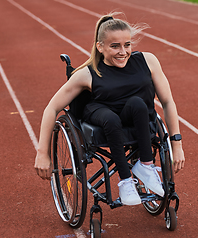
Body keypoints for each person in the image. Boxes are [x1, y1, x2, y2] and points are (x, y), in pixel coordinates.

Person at [34, 13, 185, 206]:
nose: (123, 52)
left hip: (133, 117)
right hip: (100, 115)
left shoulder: (148, 61)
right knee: (111, 119)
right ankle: (125, 181)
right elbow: (52, 108)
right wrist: (42, 152)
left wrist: (177, 144)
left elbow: (168, 103)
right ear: (100, 47)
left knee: (139, 103)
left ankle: (145, 165)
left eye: (127, 45)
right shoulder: (87, 74)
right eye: (115, 46)